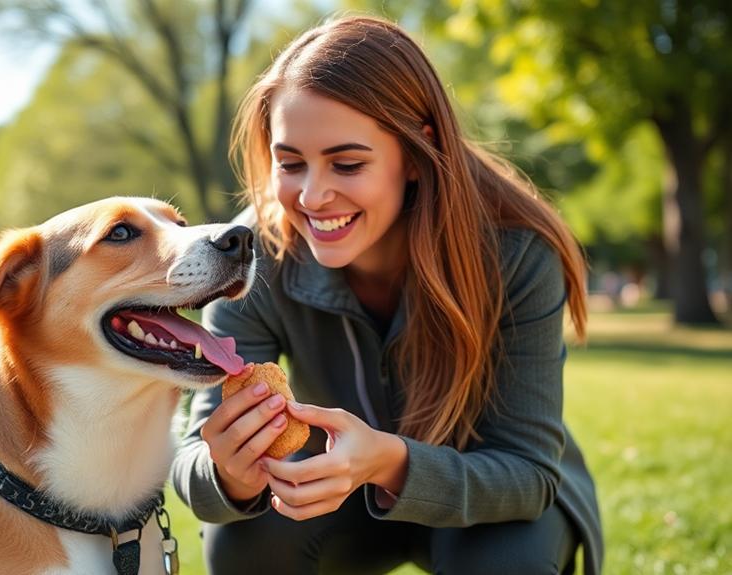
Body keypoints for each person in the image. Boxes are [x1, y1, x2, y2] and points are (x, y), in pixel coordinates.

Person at [171, 15, 602, 575]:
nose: (313, 195)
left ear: (418, 151)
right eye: (290, 163)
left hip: (492, 505)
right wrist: (227, 473)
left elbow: (529, 475)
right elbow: (190, 464)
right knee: (242, 543)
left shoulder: (517, 253)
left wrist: (390, 462)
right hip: (340, 502)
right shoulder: (256, 254)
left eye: (347, 163)